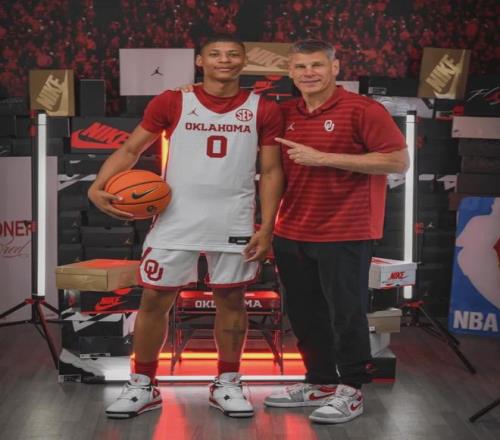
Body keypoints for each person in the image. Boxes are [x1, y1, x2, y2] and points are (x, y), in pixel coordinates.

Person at [88, 35, 284, 419]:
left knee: (232, 301)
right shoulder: (173, 101)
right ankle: (143, 384)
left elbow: (272, 170)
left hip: (234, 218)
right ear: (200, 61)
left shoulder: (264, 108)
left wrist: (267, 226)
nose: (224, 60)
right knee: (154, 300)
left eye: (233, 54)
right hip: (176, 219)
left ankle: (227, 382)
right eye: (215, 54)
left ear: (244, 61)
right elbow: (131, 149)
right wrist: (98, 185)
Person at [263, 39, 409, 424]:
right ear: (290, 72)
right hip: (293, 230)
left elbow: (398, 161)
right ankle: (321, 381)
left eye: (316, 65)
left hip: (346, 231)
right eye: (300, 67)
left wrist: (323, 158)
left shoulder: (363, 109)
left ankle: (352, 389)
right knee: (305, 314)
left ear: (335, 68)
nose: (309, 73)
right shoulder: (284, 111)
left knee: (346, 313)